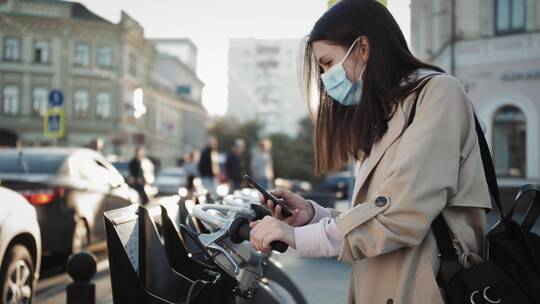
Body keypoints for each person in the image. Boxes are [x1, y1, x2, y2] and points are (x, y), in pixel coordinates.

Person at [248, 1, 492, 303]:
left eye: (327, 63)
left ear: (362, 48)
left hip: (427, 288)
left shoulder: (438, 94)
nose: (325, 78)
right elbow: (375, 215)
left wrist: (298, 238)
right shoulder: (387, 115)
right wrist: (312, 215)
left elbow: (402, 216)